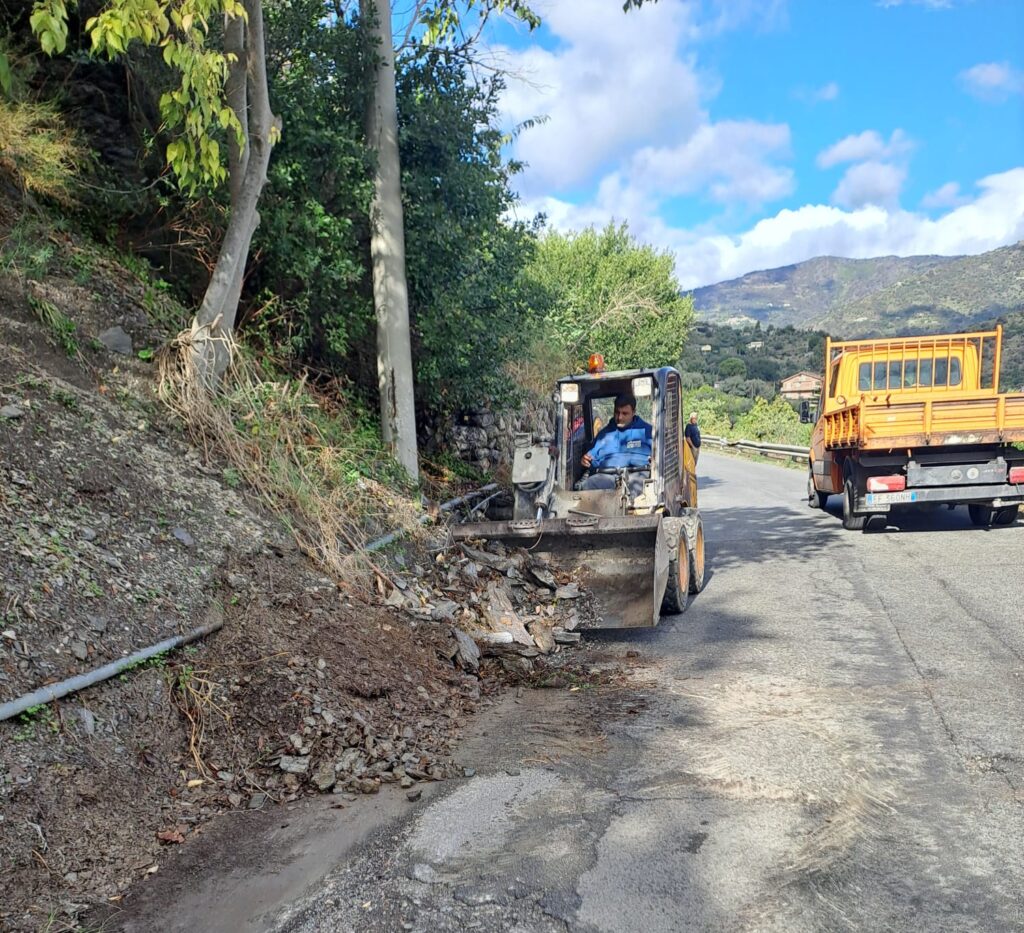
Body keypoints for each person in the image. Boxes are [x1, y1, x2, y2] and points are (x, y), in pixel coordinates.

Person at [579, 394, 652, 492]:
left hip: (638, 474)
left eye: (625, 413)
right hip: (607, 476)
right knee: (588, 485)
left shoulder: (647, 431)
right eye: (617, 412)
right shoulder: (604, 434)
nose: (620, 417)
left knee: (634, 491)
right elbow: (591, 458)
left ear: (634, 412)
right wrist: (585, 460)